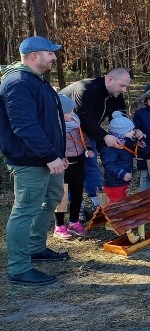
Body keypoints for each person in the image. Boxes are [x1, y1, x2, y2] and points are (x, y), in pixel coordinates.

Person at [0, 36, 68, 286]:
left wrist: (59, 155)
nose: (54, 57)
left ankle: (35, 247)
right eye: (50, 53)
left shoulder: (36, 81)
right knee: (25, 209)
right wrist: (50, 156)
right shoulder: (17, 82)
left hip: (49, 158)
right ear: (33, 56)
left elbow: (51, 123)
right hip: (30, 159)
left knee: (50, 200)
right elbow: (24, 126)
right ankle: (18, 268)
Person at [61, 68, 132, 209]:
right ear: (110, 79)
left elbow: (119, 116)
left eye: (126, 86)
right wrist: (104, 136)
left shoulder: (115, 93)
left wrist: (130, 132)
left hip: (89, 131)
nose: (124, 90)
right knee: (69, 170)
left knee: (91, 165)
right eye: (122, 85)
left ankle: (98, 204)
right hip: (65, 133)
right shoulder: (86, 89)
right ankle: (68, 205)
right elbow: (84, 117)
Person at [54, 94, 91, 239]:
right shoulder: (56, 128)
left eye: (71, 111)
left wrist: (88, 148)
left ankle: (74, 222)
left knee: (77, 194)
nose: (72, 114)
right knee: (61, 196)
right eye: (68, 112)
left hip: (79, 162)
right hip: (63, 164)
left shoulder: (76, 122)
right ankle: (59, 225)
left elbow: (84, 137)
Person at [99, 111, 143, 202]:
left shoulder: (125, 143)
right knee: (116, 206)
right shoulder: (110, 148)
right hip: (114, 183)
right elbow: (109, 165)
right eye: (130, 131)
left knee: (122, 203)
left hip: (122, 181)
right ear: (120, 133)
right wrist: (121, 173)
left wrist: (138, 147)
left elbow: (129, 155)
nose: (133, 133)